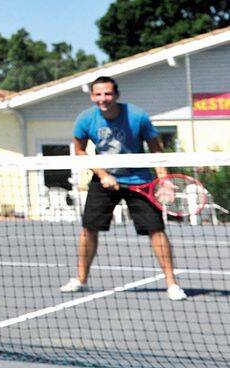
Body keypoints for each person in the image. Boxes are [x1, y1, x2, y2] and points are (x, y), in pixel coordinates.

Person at [58, 76, 186, 301]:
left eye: (107, 94)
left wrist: (163, 180)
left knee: (156, 230)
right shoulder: (85, 119)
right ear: (92, 96)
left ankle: (172, 284)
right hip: (104, 181)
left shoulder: (137, 117)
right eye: (98, 94)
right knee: (89, 229)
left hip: (140, 180)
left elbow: (157, 150)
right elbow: (80, 151)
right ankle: (80, 279)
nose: (103, 99)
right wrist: (103, 174)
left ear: (116, 95)